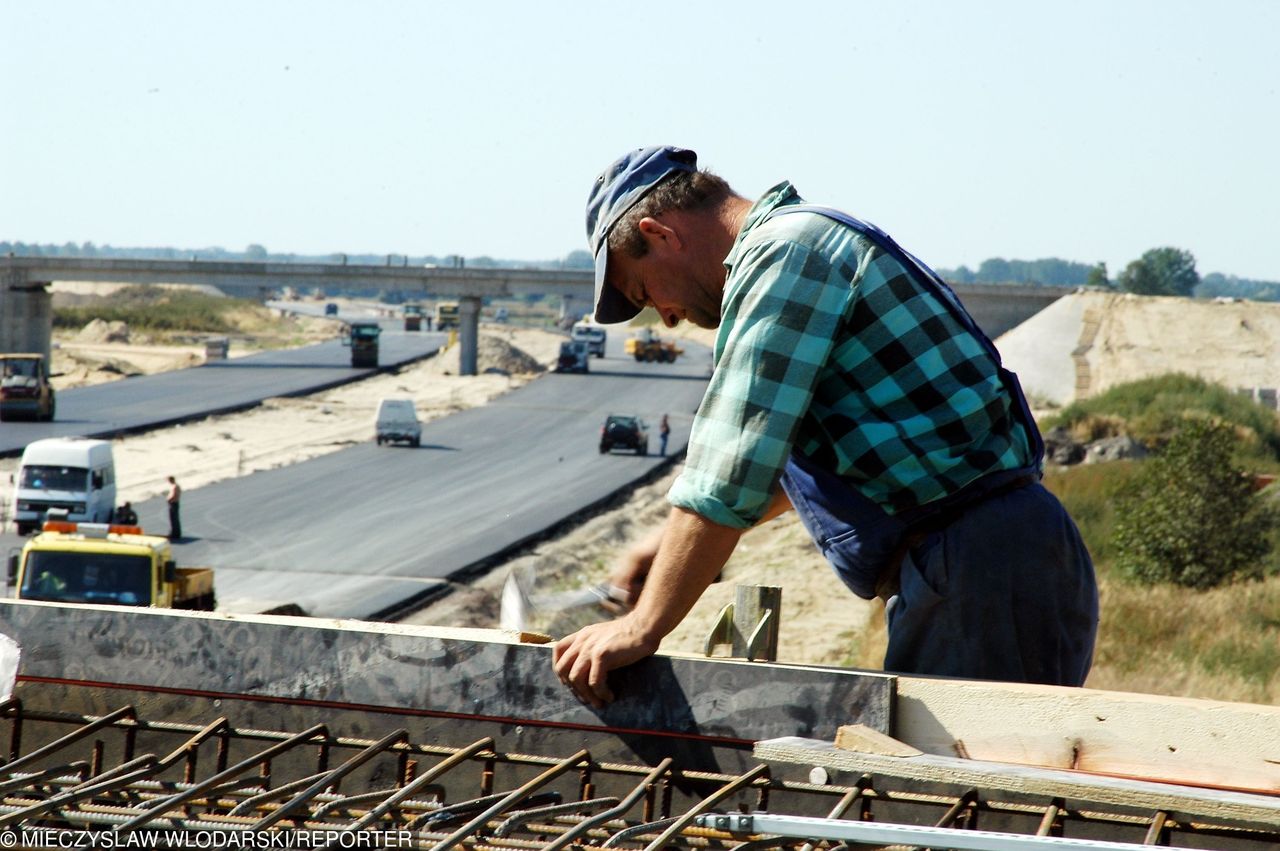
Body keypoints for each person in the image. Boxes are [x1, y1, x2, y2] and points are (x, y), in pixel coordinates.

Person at [553, 146, 1098, 707]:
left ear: (660, 234)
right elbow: (818, 460)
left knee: (965, 785)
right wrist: (664, 545)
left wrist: (644, 624)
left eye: (646, 293)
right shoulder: (802, 245)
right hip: (985, 561)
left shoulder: (786, 255)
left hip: (980, 568)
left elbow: (732, 466)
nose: (664, 316)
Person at [165, 476, 182, 541]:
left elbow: (174, 495)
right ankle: (176, 533)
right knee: (175, 518)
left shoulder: (174, 486)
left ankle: (175, 533)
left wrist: (169, 499)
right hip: (175, 503)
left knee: (173, 518)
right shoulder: (176, 486)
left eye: (169, 480)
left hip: (173, 503)